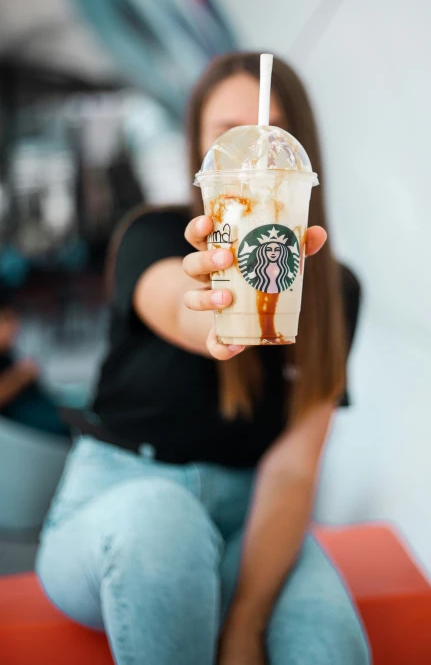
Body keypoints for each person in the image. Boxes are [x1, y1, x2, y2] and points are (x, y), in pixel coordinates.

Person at [36, 53, 370, 665]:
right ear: (201, 149)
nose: (252, 150)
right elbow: (176, 303)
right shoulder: (153, 237)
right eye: (228, 133)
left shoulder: (335, 293)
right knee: (163, 521)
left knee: (328, 641)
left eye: (272, 133)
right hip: (119, 502)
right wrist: (216, 303)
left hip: (248, 521)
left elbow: (293, 470)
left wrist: (245, 624)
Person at [0, 288, 69, 436]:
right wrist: (20, 377)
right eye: (7, 319)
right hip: (28, 434)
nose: (15, 327)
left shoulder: (7, 354)